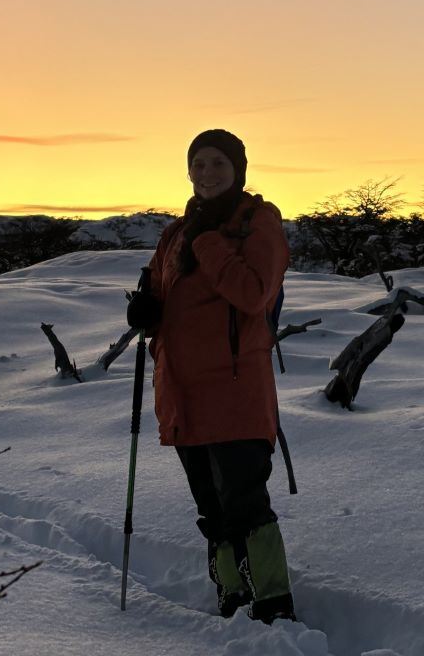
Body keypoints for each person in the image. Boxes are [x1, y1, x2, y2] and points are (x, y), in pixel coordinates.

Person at [126, 129, 295, 624]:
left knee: (245, 503)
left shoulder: (256, 223)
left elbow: (254, 293)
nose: (207, 172)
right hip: (183, 391)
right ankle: (232, 596)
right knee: (211, 507)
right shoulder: (176, 233)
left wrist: (209, 244)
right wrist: (146, 311)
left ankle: (272, 603)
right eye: (198, 164)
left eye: (218, 162)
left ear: (238, 168)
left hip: (236, 390)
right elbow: (162, 298)